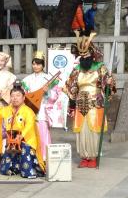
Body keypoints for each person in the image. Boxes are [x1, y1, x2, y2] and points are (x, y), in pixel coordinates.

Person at [64, 31, 116, 168]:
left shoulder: (101, 68)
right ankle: (84, 156)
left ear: (92, 54)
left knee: (93, 129)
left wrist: (109, 83)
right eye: (82, 55)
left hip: (95, 102)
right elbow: (71, 85)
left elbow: (108, 88)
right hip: (80, 102)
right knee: (81, 130)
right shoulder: (77, 69)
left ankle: (93, 156)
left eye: (86, 55)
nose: (84, 57)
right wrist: (70, 95)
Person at [0, 81, 45, 178]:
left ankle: (28, 170)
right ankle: (14, 168)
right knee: (4, 170)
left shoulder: (28, 111)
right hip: (12, 142)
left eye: (18, 96)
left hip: (27, 141)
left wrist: (21, 136)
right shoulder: (7, 109)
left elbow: (30, 126)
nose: (15, 98)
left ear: (23, 98)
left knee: (26, 160)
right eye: (13, 96)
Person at [22, 51, 61, 160]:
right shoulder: (27, 79)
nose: (36, 66)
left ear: (43, 65)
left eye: (38, 64)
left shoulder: (48, 78)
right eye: (34, 64)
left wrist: (47, 92)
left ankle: (43, 157)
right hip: (30, 107)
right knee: (29, 131)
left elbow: (55, 95)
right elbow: (24, 94)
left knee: (43, 133)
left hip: (43, 108)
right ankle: (30, 157)